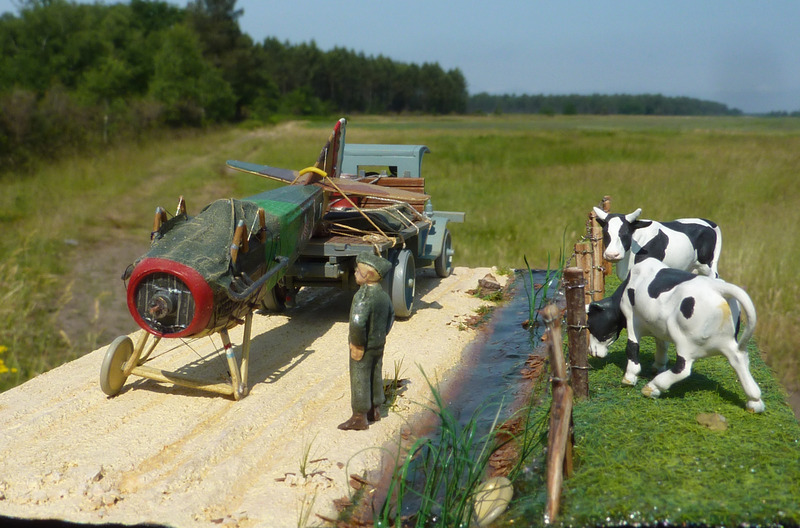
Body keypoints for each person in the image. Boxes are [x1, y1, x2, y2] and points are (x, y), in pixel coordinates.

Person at [338, 252, 395, 431]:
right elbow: (391, 317)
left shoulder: (362, 297)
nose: (355, 272)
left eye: (358, 270)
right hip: (378, 343)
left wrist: (357, 344)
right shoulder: (384, 296)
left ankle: (359, 417)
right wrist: (382, 335)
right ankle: (375, 410)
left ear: (368, 275)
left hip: (363, 346)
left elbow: (357, 322)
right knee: (375, 373)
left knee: (360, 376)